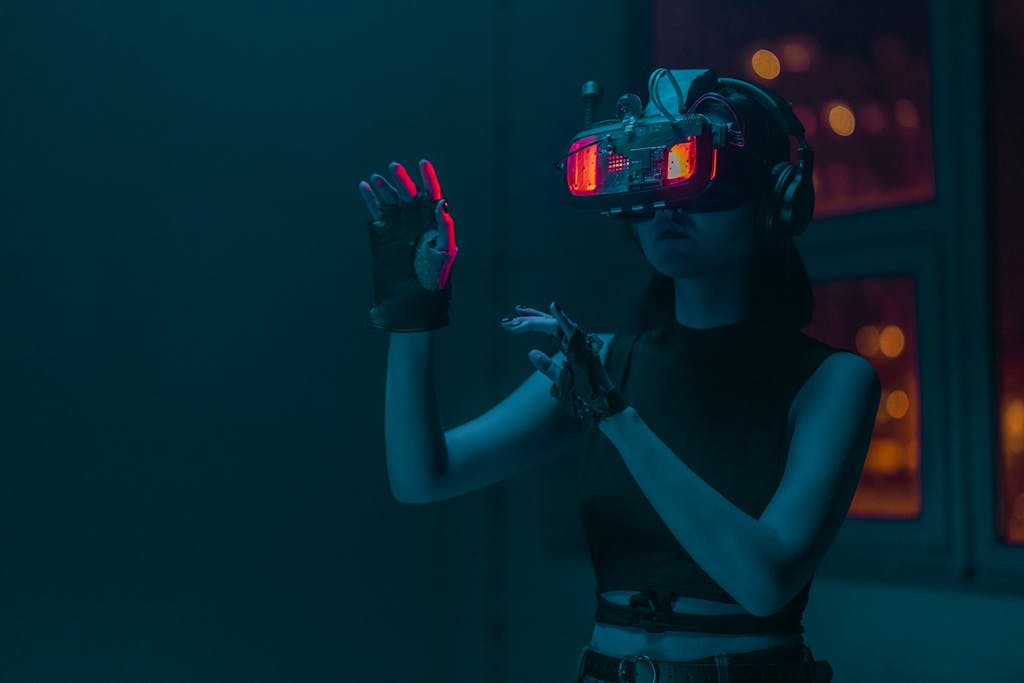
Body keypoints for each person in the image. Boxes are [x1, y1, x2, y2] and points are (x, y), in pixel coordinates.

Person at [357, 69, 880, 683]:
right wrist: (412, 311)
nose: (669, 212)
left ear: (775, 203)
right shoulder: (602, 362)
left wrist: (619, 420)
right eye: (649, 185)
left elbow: (765, 581)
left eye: (700, 185)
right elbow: (423, 476)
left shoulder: (832, 381)